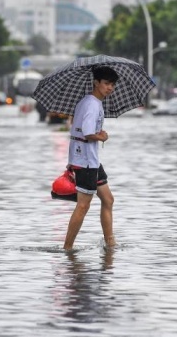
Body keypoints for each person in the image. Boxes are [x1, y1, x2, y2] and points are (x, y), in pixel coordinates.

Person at [63, 66, 119, 251]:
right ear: (96, 82)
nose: (110, 88)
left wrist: (97, 134)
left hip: (90, 159)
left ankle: (110, 244)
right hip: (85, 160)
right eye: (106, 83)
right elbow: (87, 133)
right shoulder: (92, 104)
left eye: (112, 84)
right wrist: (101, 136)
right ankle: (68, 247)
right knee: (83, 206)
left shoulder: (89, 102)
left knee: (108, 199)